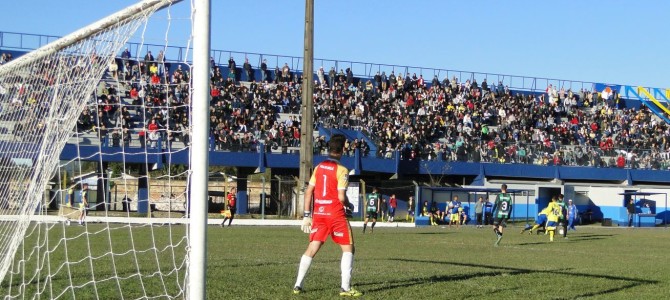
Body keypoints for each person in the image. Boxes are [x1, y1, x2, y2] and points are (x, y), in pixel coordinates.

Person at [293, 134, 362, 297]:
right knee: (348, 248)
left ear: (329, 148)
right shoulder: (342, 170)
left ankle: (297, 285)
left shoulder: (319, 167)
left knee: (312, 248)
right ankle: (345, 288)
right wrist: (349, 205)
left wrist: (306, 215)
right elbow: (340, 197)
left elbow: (309, 191)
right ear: (343, 149)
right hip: (336, 215)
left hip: (319, 214)